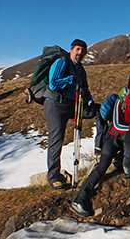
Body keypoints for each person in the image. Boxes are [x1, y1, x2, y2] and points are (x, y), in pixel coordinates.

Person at [70, 73, 130, 217]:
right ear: (129, 87)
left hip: (128, 140)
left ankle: (127, 166)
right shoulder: (120, 101)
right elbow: (116, 124)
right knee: (103, 166)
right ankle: (80, 199)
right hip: (113, 137)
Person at [44, 39, 106, 190]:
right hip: (56, 105)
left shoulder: (81, 69)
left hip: (74, 104)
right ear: (71, 50)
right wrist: (71, 79)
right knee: (56, 139)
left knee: (100, 111)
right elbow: (53, 83)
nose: (80, 53)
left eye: (83, 51)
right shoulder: (62, 62)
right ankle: (53, 176)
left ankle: (99, 148)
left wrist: (89, 99)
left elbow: (84, 87)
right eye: (78, 49)